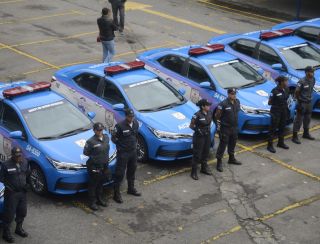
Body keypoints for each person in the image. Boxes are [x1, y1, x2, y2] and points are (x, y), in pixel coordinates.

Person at [0, 147, 29, 243]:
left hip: (22, 193)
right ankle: (6, 233)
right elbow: (2, 179)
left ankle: (18, 229)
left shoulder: (25, 162)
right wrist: (9, 188)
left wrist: (27, 185)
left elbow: (27, 175)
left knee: (22, 212)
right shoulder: (5, 165)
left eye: (20, 155)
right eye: (16, 156)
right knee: (9, 215)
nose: (19, 157)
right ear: (12, 155)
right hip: (11, 194)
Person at [111, 109, 141, 204]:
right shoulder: (119, 126)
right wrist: (121, 146)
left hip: (133, 152)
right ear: (126, 116)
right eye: (129, 117)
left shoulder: (135, 123)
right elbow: (114, 138)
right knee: (119, 173)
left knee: (132, 170)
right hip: (123, 153)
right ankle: (116, 194)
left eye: (132, 117)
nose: (131, 118)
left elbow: (135, 135)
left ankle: (131, 188)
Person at [83, 122, 110, 211]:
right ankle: (92, 202)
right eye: (98, 130)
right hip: (94, 166)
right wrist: (95, 159)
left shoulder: (106, 137)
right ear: (94, 131)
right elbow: (86, 153)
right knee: (93, 185)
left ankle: (99, 199)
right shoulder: (90, 141)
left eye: (101, 129)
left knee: (100, 184)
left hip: (104, 165)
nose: (100, 131)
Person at [215, 88, 242, 172]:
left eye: (235, 93)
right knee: (223, 145)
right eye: (232, 94)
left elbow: (237, 112)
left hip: (234, 127)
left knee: (233, 143)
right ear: (229, 94)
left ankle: (231, 158)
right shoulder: (223, 104)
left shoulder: (237, 102)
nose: (234, 95)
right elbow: (217, 116)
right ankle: (219, 162)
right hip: (225, 128)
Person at [189, 99, 213, 180]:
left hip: (207, 135)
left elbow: (210, 123)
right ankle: (193, 172)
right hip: (199, 137)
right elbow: (191, 125)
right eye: (207, 105)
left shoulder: (210, 112)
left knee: (206, 152)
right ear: (202, 106)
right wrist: (198, 130)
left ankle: (204, 168)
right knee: (197, 155)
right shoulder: (197, 115)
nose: (209, 106)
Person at [292, 66, 316, 144]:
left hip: (309, 102)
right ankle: (294, 136)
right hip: (302, 102)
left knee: (308, 118)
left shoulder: (313, 79)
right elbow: (297, 92)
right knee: (299, 119)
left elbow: (311, 89)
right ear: (306, 72)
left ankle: (306, 133)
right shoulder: (301, 81)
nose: (312, 73)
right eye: (311, 72)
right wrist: (299, 102)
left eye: (313, 72)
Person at [267, 76, 290, 153]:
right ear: (281, 82)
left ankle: (280, 142)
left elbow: (287, 99)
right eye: (286, 81)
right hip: (275, 111)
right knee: (273, 128)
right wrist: (277, 104)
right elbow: (269, 102)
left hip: (283, 110)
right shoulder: (274, 91)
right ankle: (269, 145)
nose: (287, 82)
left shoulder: (286, 89)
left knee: (282, 127)